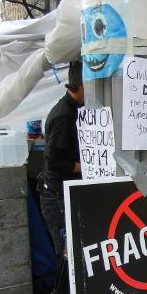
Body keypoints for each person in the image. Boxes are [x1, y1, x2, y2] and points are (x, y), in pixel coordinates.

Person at [39, 61, 84, 258]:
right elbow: (54, 161)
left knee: (71, 248)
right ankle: (62, 289)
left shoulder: (73, 109)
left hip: (63, 191)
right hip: (56, 194)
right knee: (66, 251)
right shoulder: (64, 115)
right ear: (82, 86)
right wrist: (87, 166)